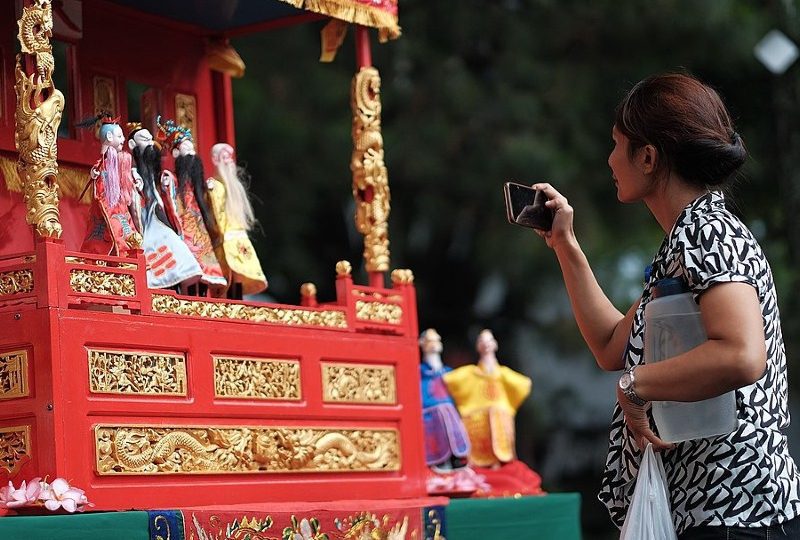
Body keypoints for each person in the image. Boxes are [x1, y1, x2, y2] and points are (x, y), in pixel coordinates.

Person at [534, 73, 800, 538]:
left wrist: (636, 386)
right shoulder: (683, 242)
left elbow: (741, 353)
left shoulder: (707, 231)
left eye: (618, 144)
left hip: (733, 508)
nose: (610, 159)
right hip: (711, 511)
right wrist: (565, 243)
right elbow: (610, 345)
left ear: (649, 157)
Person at [127, 123, 202, 291]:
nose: (150, 143)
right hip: (145, 223)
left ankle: (181, 287)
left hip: (159, 218)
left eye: (150, 139)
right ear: (132, 145)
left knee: (176, 245)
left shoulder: (156, 174)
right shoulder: (131, 172)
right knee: (163, 245)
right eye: (144, 139)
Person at [157, 117, 227, 295]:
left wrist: (209, 189)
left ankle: (202, 295)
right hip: (183, 227)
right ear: (175, 154)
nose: (191, 153)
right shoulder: (171, 179)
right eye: (185, 149)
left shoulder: (197, 184)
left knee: (204, 266)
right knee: (188, 264)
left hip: (198, 227)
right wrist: (167, 184)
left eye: (192, 149)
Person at [443, 329, 532, 468]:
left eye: (489, 341)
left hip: (500, 425)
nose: (486, 344)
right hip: (477, 427)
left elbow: (524, 384)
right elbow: (450, 380)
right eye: (482, 341)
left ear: (495, 344)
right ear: (478, 346)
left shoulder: (504, 374)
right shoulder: (470, 374)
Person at [206, 143, 267, 298]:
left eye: (229, 158)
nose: (228, 161)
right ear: (215, 160)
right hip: (223, 238)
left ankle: (237, 301)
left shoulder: (236, 189)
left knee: (240, 275)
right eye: (224, 157)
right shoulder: (215, 187)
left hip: (238, 237)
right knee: (227, 277)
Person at [81, 115, 142, 257]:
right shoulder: (102, 165)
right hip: (107, 206)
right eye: (120, 136)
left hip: (120, 207)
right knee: (109, 232)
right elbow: (98, 182)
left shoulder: (123, 160)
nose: (123, 140)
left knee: (126, 231)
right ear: (109, 136)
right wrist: (95, 174)